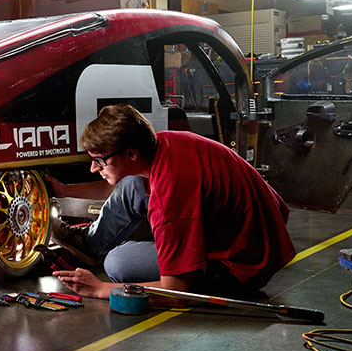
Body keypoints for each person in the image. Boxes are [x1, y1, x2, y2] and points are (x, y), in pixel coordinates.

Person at [50, 104, 295, 300]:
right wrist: (64, 190)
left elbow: (176, 291)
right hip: (259, 235)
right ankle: (91, 244)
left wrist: (99, 289)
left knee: (118, 261)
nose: (94, 168)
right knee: (131, 185)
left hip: (242, 268)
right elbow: (116, 183)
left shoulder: (170, 197)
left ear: (131, 153)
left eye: (100, 161)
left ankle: (190, 262)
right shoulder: (162, 143)